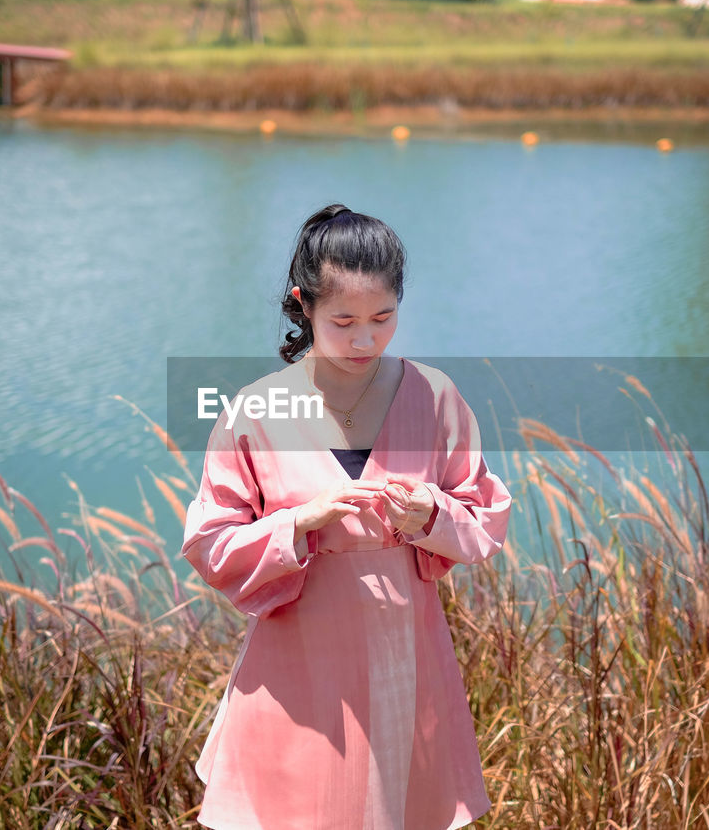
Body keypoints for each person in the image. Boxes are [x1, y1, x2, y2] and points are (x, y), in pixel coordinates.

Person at [181, 203, 512, 829]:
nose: (366, 339)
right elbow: (210, 541)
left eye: (383, 318)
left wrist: (429, 513)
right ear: (305, 306)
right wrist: (299, 524)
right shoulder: (254, 410)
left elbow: (485, 516)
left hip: (407, 662)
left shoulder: (434, 397)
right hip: (299, 666)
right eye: (344, 321)